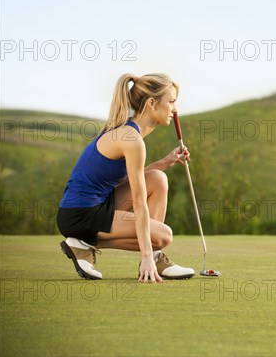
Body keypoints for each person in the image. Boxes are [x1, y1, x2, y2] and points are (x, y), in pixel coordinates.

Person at [57, 73, 194, 283]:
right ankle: (85, 243)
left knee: (157, 178)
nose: (175, 110)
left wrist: (165, 162)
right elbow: (139, 202)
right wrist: (145, 253)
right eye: (172, 102)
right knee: (163, 236)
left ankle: (154, 257)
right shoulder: (132, 140)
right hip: (80, 215)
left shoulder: (130, 134)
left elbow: (130, 179)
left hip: (98, 205)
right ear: (152, 103)